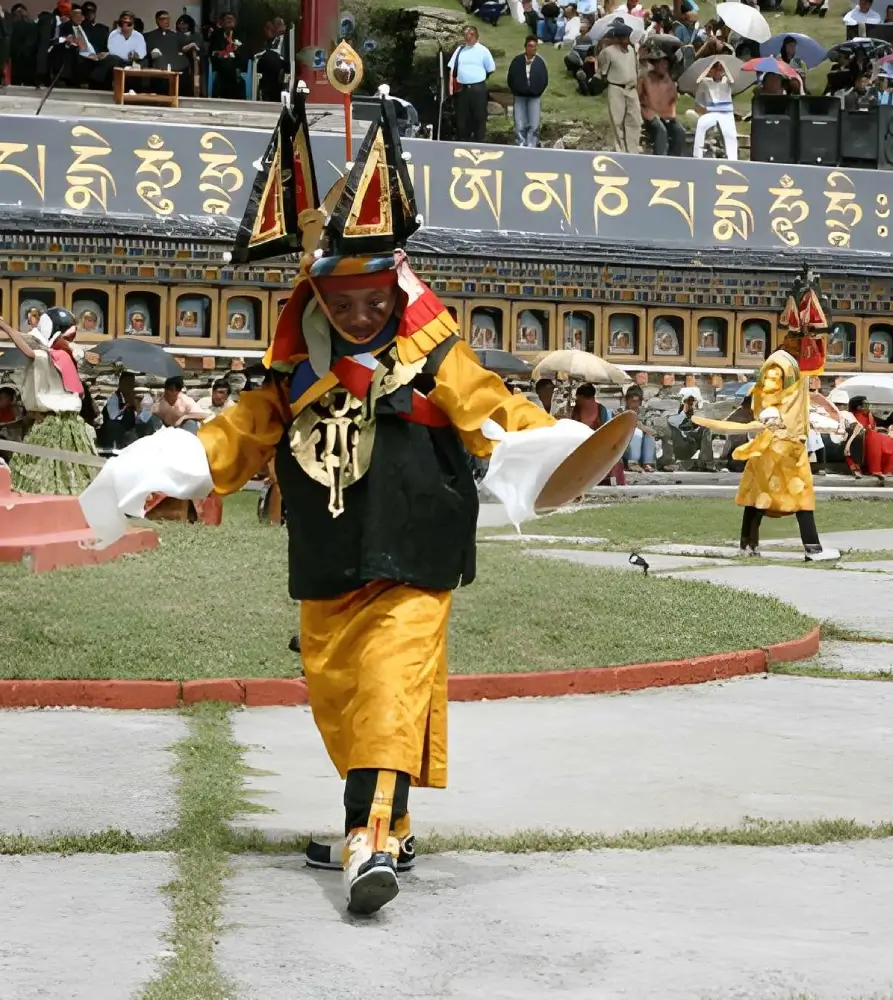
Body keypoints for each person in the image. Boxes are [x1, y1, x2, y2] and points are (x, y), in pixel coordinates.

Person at [79, 96, 627, 917]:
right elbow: (233, 439)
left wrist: (554, 447)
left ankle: (366, 841)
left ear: (397, 288)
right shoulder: (293, 376)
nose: (362, 313)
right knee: (341, 697)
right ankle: (392, 825)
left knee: (388, 685)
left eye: (376, 297)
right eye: (344, 302)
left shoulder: (433, 355)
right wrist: (165, 464)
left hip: (416, 553)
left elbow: (495, 412)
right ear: (316, 300)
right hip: (330, 560)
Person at [732, 351, 840, 561]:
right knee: (795, 495)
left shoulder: (796, 368)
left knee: (762, 493)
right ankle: (812, 548)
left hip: (787, 442)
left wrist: (830, 423)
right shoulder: (780, 364)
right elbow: (766, 399)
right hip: (779, 442)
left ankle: (748, 544)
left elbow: (797, 408)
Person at [0, 307, 96, 494]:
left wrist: (5, 327)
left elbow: (28, 349)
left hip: (52, 425)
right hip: (70, 425)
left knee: (42, 473)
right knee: (70, 474)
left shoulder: (48, 356)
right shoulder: (67, 356)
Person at [596, 20, 641, 153]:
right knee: (617, 120)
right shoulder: (608, 52)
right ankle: (620, 149)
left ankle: (633, 150)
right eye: (623, 38)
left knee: (634, 119)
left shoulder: (632, 50)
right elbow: (602, 71)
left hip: (631, 88)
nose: (625, 41)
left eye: (627, 37)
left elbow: (636, 68)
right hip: (616, 88)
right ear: (617, 38)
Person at [449, 26, 496, 143]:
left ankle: (479, 142)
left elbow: (490, 68)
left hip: (478, 88)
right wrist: (450, 87)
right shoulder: (460, 50)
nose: (468, 38)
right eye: (466, 35)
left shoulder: (483, 50)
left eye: (471, 35)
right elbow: (452, 69)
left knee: (479, 117)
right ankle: (462, 141)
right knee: (462, 119)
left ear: (476, 36)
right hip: (462, 89)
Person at [507, 34, 548, 147]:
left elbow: (544, 79)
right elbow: (511, 78)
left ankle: (531, 145)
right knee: (520, 124)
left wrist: (537, 91)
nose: (532, 49)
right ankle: (520, 144)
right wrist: (516, 89)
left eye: (534, 46)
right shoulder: (517, 61)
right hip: (519, 96)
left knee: (534, 124)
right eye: (530, 46)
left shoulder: (540, 62)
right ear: (525, 47)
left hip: (534, 97)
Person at [640, 53, 685, 155]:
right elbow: (639, 100)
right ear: (655, 64)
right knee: (661, 131)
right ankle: (659, 160)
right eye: (662, 63)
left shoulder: (669, 80)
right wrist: (647, 114)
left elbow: (673, 101)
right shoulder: (645, 78)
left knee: (680, 132)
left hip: (666, 115)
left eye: (666, 64)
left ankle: (674, 160)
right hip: (650, 114)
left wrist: (672, 114)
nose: (664, 66)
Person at [693, 58, 738, 160]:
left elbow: (732, 81)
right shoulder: (705, 83)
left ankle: (733, 159)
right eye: (715, 68)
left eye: (720, 69)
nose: (718, 71)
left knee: (730, 134)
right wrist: (709, 68)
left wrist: (723, 65)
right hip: (711, 112)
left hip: (727, 113)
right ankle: (697, 156)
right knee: (701, 125)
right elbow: (698, 97)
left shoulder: (727, 81)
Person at [622, 386, 657, 471]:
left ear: (640, 401)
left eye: (636, 401)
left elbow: (654, 432)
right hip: (625, 449)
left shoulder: (645, 413)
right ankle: (633, 463)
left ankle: (647, 463)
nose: (634, 404)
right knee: (636, 432)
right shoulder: (620, 412)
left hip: (642, 451)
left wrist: (642, 427)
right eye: (632, 401)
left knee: (649, 436)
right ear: (627, 400)